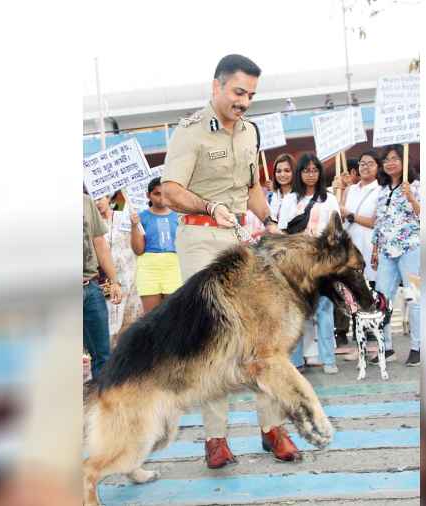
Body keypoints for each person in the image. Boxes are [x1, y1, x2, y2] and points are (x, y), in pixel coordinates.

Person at [160, 54, 298, 469]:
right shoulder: (190, 132)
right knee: (216, 342)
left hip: (242, 239)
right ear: (216, 86)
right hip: (201, 236)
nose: (245, 102)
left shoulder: (251, 132)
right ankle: (215, 439)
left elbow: (252, 187)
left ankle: (272, 428)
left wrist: (270, 221)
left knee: (263, 339)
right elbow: (170, 190)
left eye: (251, 95)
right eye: (239, 92)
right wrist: (211, 205)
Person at [276, 152, 342, 374]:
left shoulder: (329, 199)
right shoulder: (290, 200)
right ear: (299, 173)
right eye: (306, 170)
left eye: (315, 170)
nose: (311, 174)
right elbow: (283, 232)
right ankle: (295, 361)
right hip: (296, 264)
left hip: (322, 262)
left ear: (320, 173)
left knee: (324, 310)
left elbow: (337, 231)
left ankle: (328, 359)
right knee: (296, 312)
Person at [372, 145, 420, 366]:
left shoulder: (416, 186)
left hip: (410, 248)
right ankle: (386, 347)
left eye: (395, 158)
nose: (390, 162)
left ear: (404, 161)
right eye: (386, 159)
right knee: (381, 299)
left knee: (415, 297)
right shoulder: (382, 191)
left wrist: (411, 197)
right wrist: (375, 248)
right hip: (386, 251)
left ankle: (418, 347)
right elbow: (378, 222)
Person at [94, 191, 142, 347]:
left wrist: (135, 224)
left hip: (132, 277)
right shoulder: (91, 224)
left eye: (100, 198)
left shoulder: (123, 214)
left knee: (131, 323)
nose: (97, 203)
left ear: (108, 198)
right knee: (110, 326)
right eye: (93, 201)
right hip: (108, 281)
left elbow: (139, 244)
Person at [83, 192, 122, 382]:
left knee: (103, 356)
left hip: (90, 287)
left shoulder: (86, 201)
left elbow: (100, 244)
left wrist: (114, 281)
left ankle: (102, 407)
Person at [130, 177, 182, 313]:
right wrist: (134, 226)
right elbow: (138, 250)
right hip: (149, 268)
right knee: (152, 318)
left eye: (164, 194)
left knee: (173, 315)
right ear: (148, 195)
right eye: (156, 194)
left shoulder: (179, 216)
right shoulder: (140, 217)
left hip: (174, 266)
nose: (161, 198)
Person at [340, 150, 381, 283]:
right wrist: (337, 190)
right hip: (349, 247)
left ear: (378, 167)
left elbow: (374, 222)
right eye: (362, 163)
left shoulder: (381, 191)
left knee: (369, 288)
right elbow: (340, 217)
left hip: (368, 248)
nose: (365, 167)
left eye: (370, 164)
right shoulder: (349, 190)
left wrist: (350, 215)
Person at [266, 153, 296, 222]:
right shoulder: (270, 197)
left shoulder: (301, 196)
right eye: (278, 171)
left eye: (287, 170)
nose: (282, 174)